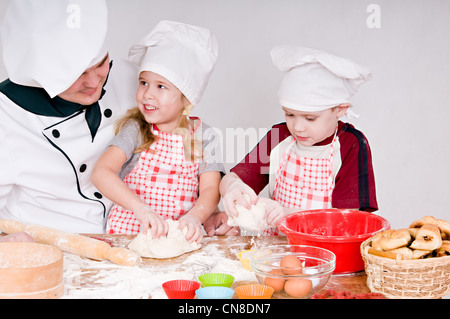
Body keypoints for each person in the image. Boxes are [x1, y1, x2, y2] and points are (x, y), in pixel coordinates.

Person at [205, 45, 378, 236]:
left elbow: (348, 219)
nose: (297, 127)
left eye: (310, 118)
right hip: (276, 252)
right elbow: (233, 177)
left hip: (327, 257)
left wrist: (288, 215)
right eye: (290, 114)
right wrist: (232, 188)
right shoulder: (279, 136)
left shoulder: (351, 145)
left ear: (340, 109)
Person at [0, 0, 138, 234]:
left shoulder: (132, 79)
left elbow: (185, 136)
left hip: (133, 236)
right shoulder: (6, 115)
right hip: (54, 248)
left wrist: (218, 184)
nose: (94, 82)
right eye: (77, 75)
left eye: (100, 64)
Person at [91, 21, 225, 243]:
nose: (147, 94)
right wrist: (141, 209)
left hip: (179, 239)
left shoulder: (203, 135)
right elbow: (101, 172)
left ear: (186, 98)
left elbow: (211, 188)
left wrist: (194, 218)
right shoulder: (136, 129)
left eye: (161, 86)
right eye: (143, 82)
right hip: (130, 237)